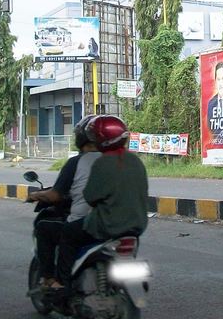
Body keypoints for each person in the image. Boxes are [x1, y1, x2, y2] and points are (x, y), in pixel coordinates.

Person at [54, 115, 148, 298]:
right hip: (136, 226)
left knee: (68, 234)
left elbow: (90, 197)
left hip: (107, 225)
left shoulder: (102, 163)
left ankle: (62, 285)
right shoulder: (136, 161)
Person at [28, 115, 100, 288]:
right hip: (121, 223)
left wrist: (36, 195)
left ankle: (56, 282)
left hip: (90, 223)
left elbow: (55, 195)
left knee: (45, 228)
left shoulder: (77, 162)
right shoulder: (117, 161)